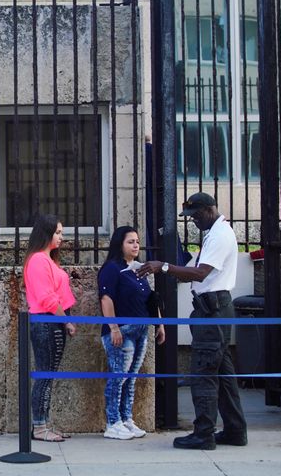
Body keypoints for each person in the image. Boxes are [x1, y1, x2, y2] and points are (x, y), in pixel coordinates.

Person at [138, 192, 247, 450]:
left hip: (213, 313)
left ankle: (204, 434)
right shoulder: (214, 233)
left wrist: (163, 266)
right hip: (212, 310)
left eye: (196, 215)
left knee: (204, 374)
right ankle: (234, 429)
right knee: (223, 375)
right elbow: (194, 274)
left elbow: (200, 273)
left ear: (209, 209)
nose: (194, 221)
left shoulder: (220, 235)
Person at [98, 226, 165, 440]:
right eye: (130, 242)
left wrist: (160, 324)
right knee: (118, 377)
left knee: (131, 378)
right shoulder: (112, 268)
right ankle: (113, 422)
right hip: (122, 331)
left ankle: (126, 419)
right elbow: (106, 299)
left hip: (141, 330)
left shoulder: (139, 269)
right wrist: (114, 327)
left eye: (137, 241)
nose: (136, 245)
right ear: (120, 244)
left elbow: (150, 300)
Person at [22, 214, 77, 442]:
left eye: (61, 232)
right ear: (46, 233)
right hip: (47, 322)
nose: (61, 237)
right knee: (44, 376)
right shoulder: (38, 260)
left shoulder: (48, 259)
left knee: (47, 376)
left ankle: (43, 424)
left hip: (51, 321)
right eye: (57, 232)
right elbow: (47, 298)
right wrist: (67, 321)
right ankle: (40, 427)